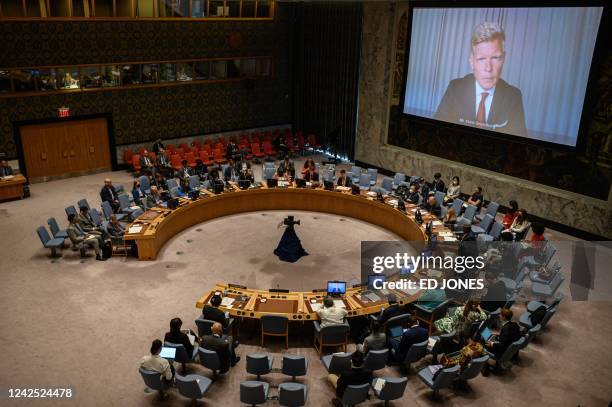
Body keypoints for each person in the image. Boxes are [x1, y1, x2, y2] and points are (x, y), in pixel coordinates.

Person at [434, 22, 527, 137]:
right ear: (471, 61)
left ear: (503, 59)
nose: (488, 68)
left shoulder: (513, 96)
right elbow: (437, 132)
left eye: (495, 58)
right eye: (481, 59)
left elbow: (517, 145)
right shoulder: (455, 88)